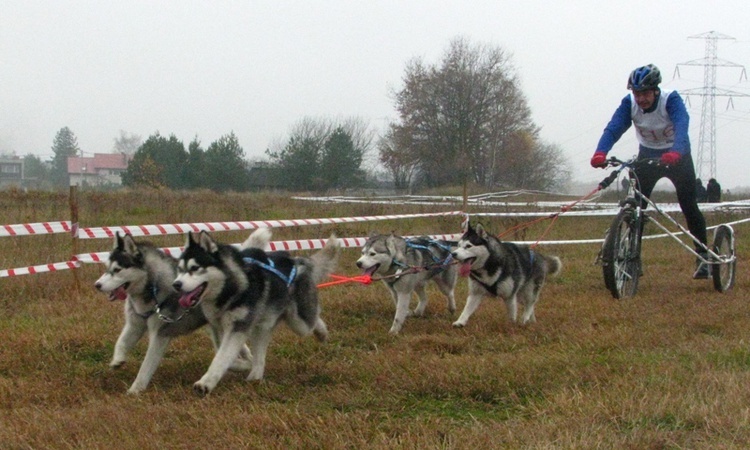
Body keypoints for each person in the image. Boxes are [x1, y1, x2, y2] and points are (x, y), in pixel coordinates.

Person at [590, 64, 709, 279]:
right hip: (647, 156)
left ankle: (703, 257)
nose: (641, 98)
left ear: (655, 90)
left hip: (677, 156)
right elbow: (614, 127)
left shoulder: (670, 100)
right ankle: (632, 258)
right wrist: (601, 151)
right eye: (636, 93)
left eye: (645, 93)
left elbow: (682, 125)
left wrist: (676, 151)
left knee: (689, 205)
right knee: (636, 210)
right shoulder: (629, 104)